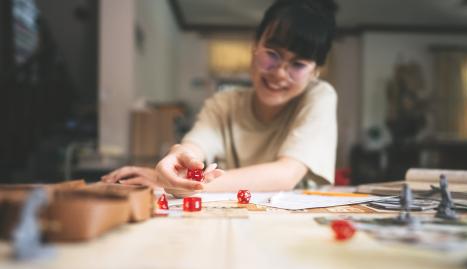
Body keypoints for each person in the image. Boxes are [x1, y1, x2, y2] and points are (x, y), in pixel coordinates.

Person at [102, 0, 338, 197]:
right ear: (254, 46)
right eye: (272, 54)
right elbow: (195, 146)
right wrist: (178, 158)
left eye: (298, 64)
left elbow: (286, 174)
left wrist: (171, 183)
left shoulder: (319, 97)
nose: (279, 73)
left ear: (315, 71)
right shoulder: (224, 103)